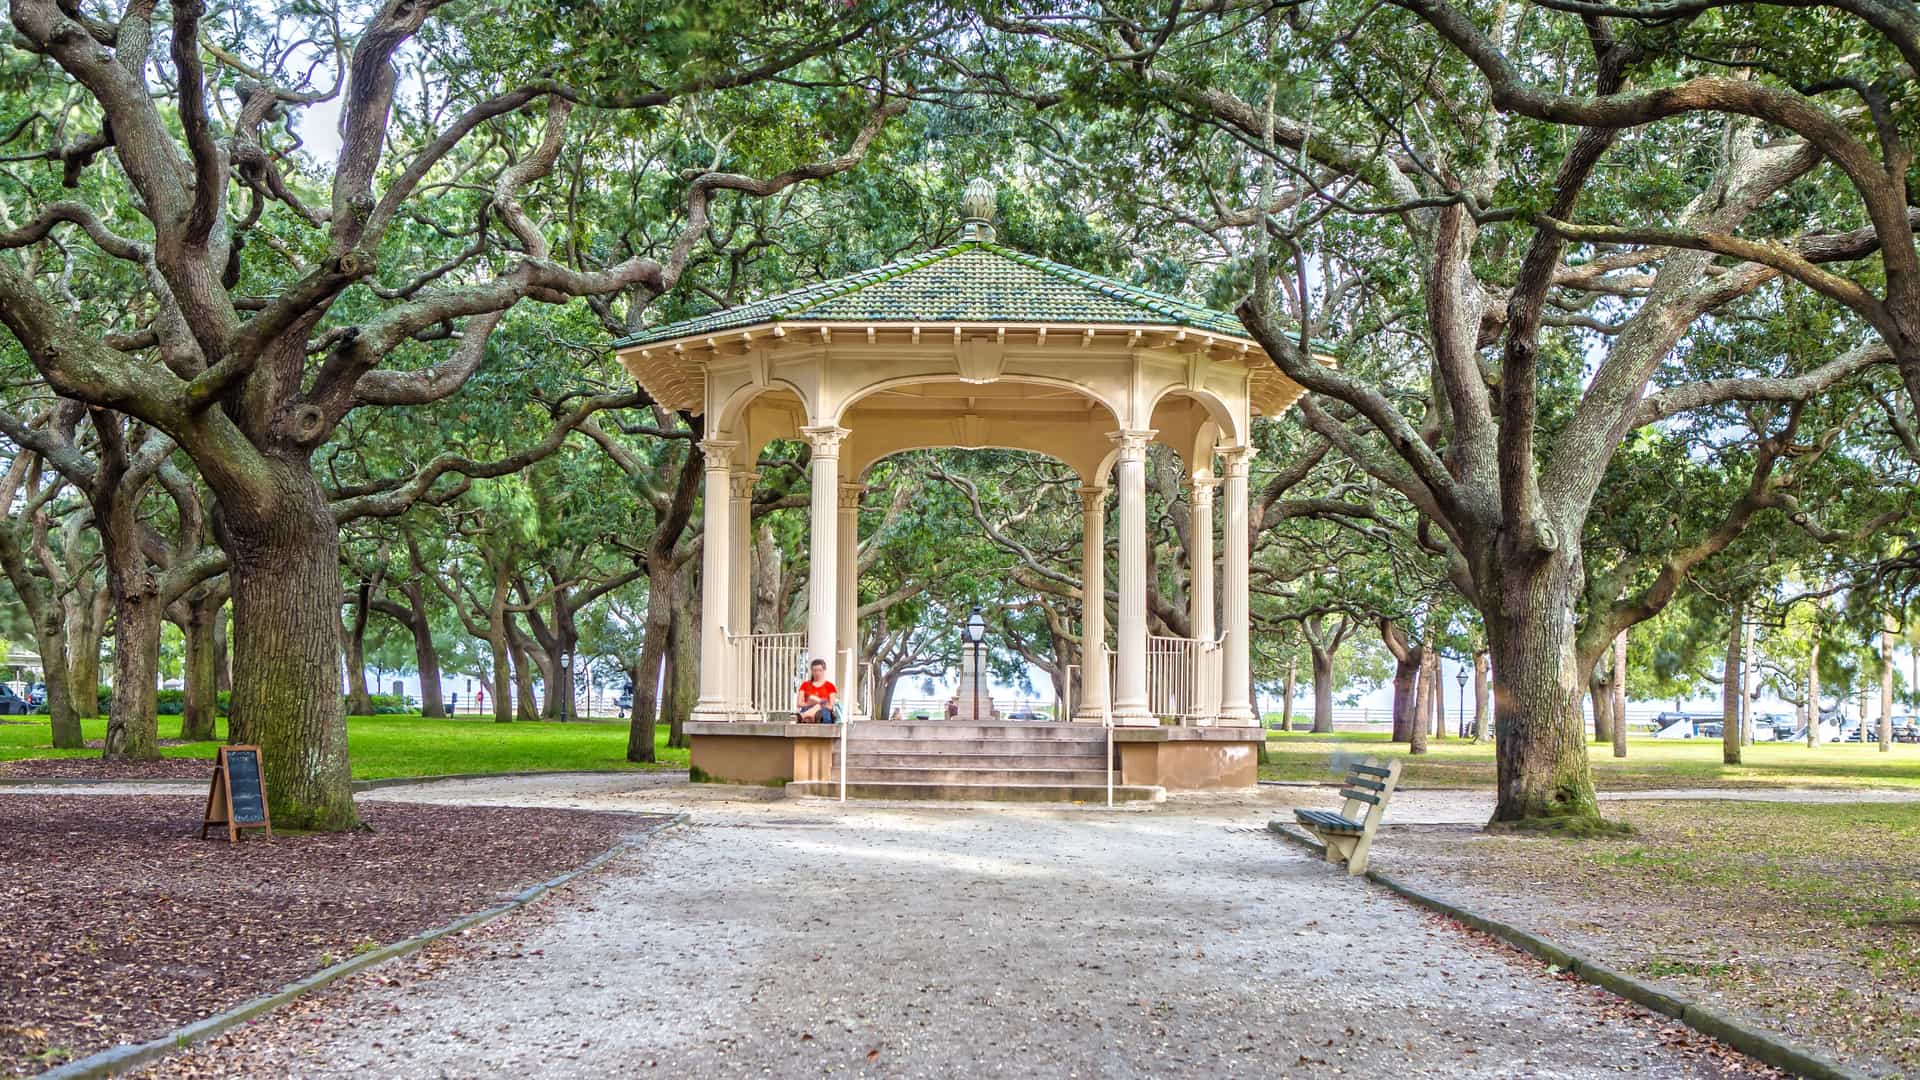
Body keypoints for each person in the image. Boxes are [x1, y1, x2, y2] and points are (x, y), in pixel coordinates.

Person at [795, 659, 838, 724]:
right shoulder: (805, 685)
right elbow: (799, 704)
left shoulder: (830, 686)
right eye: (815, 670)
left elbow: (831, 707)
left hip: (824, 711)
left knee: (819, 707)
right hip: (807, 708)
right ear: (811, 671)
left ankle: (803, 716)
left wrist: (819, 703)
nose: (817, 673)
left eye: (820, 670)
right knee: (816, 703)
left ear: (824, 670)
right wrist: (810, 703)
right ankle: (809, 716)